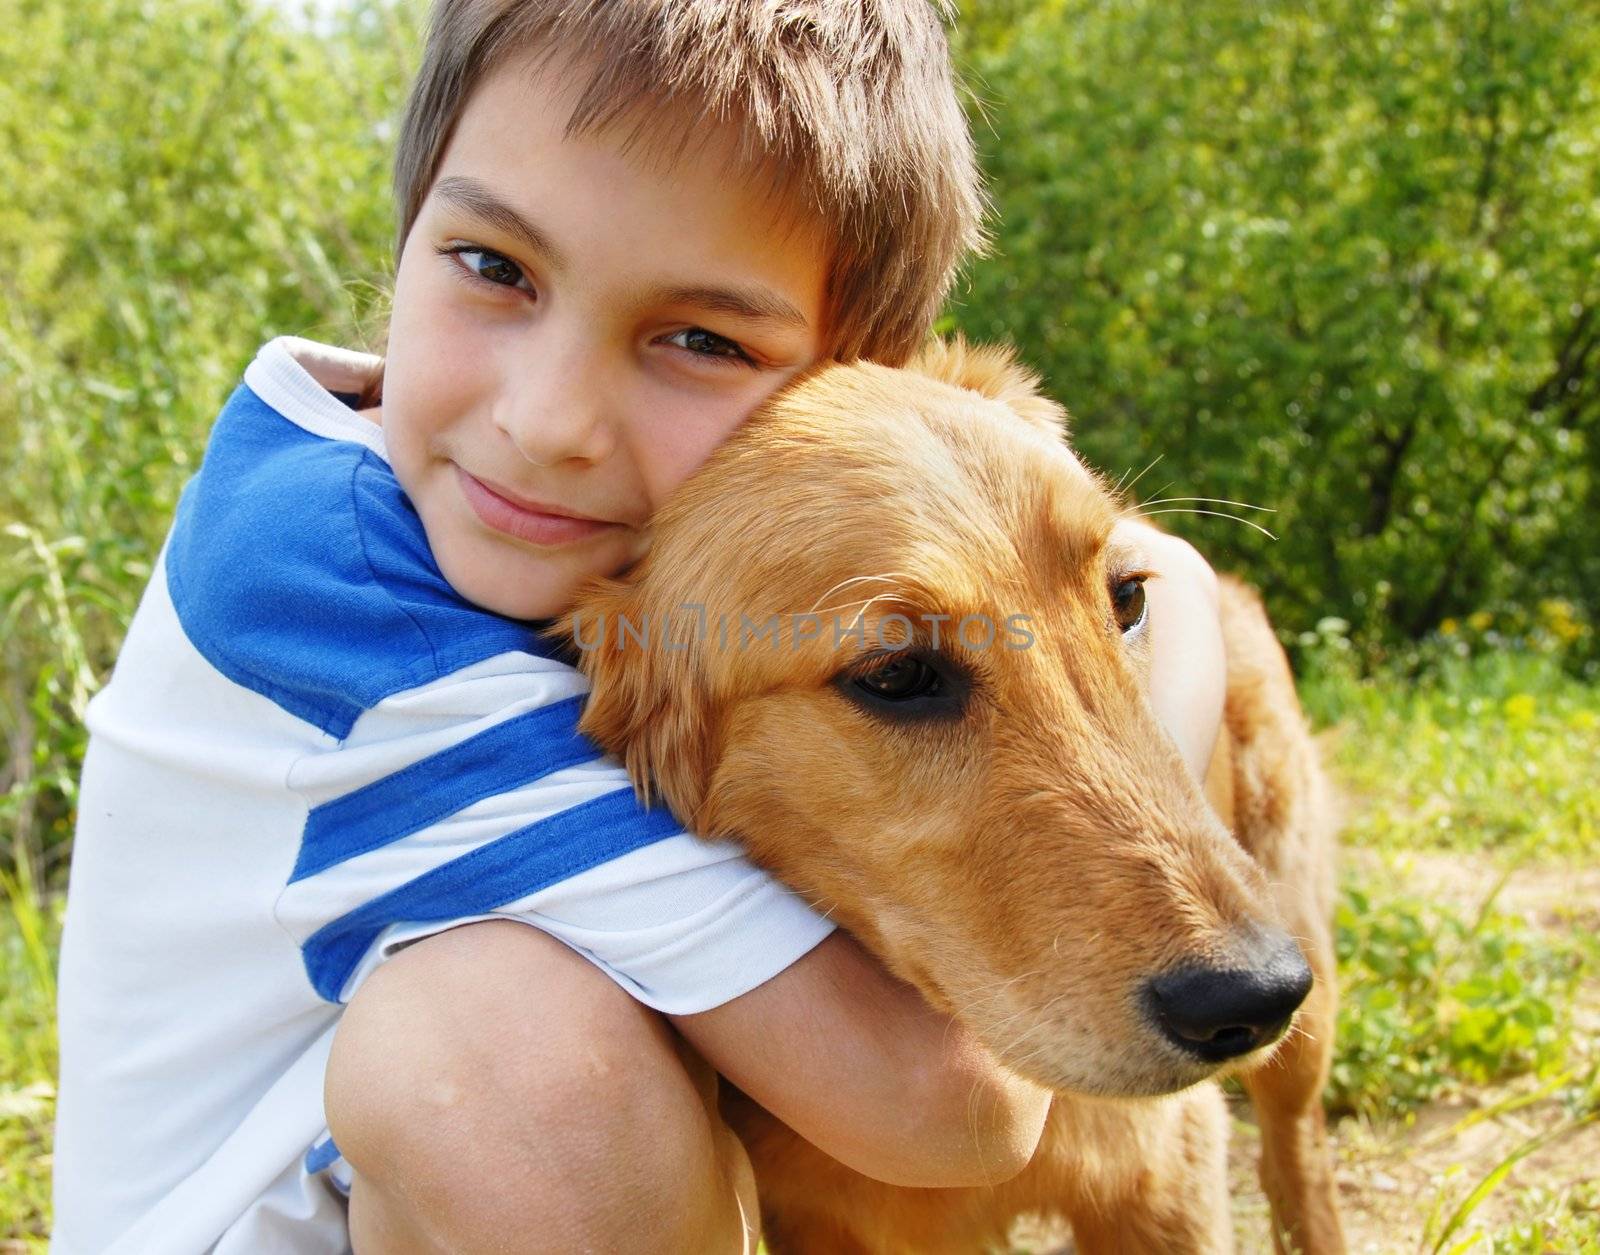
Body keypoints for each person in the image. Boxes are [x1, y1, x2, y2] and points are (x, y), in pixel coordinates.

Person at [50, 2, 1226, 1252]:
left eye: (702, 340)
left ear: (842, 394)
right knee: (506, 1039)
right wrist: (1171, 621)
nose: (550, 419)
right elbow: (950, 1110)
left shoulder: (423, 494)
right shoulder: (347, 616)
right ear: (407, 229)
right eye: (494, 266)